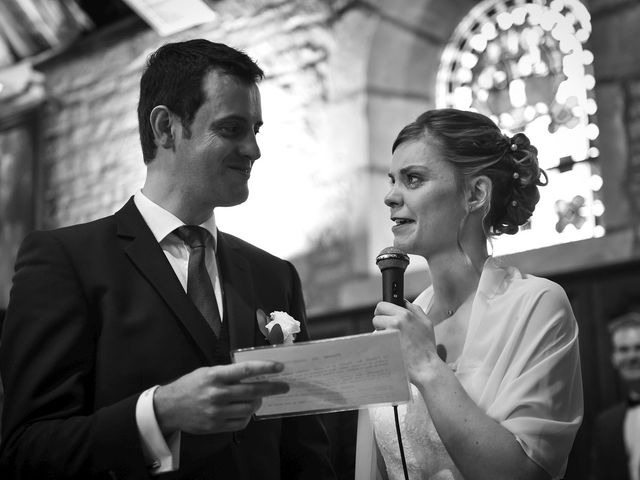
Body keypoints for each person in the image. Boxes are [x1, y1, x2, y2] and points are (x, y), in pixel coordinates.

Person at [0, 39, 335, 480]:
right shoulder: (66, 261)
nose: (254, 150)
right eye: (232, 129)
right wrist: (158, 412)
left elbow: (303, 449)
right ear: (165, 127)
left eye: (256, 130)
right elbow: (27, 449)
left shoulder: (275, 275)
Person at [371, 108, 583, 480]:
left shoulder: (537, 305)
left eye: (413, 179)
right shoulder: (402, 321)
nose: (390, 196)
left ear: (475, 193)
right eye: (392, 181)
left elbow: (522, 474)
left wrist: (426, 366)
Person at [591, 311, 640, 480]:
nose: (632, 356)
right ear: (614, 358)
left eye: (638, 347)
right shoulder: (606, 424)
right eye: (624, 349)